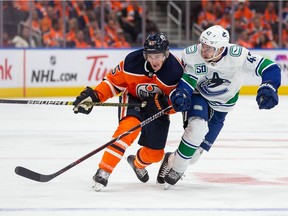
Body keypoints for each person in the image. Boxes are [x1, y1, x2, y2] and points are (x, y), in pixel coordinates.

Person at [157, 25, 281, 189]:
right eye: (204, 45)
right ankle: (178, 170)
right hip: (199, 95)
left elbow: (269, 67)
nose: (204, 50)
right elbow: (187, 81)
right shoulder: (192, 54)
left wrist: (269, 85)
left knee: (193, 157)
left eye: (210, 48)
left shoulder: (238, 56)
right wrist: (181, 94)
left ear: (222, 48)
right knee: (197, 129)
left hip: (223, 105)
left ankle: (171, 159)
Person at [73, 32, 183, 191]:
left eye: (158, 56)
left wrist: (164, 104)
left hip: (158, 109)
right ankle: (103, 171)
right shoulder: (132, 62)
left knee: (155, 155)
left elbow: (179, 102)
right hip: (134, 100)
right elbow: (112, 83)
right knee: (126, 132)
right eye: (150, 56)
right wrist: (95, 96)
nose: (154, 60)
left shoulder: (175, 71)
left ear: (166, 54)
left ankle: (137, 163)